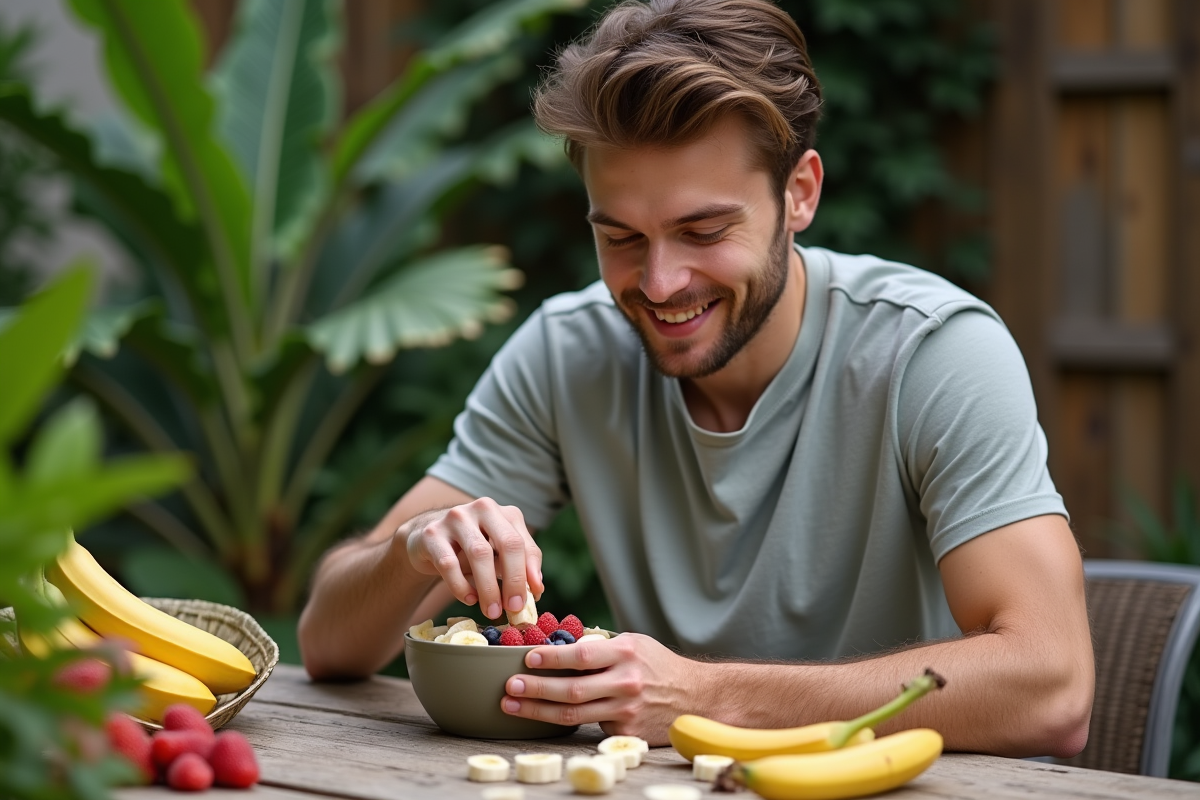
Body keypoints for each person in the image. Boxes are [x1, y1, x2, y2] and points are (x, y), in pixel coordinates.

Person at [298, 0, 1093, 758]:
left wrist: (709, 696)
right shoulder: (565, 352)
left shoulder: (933, 353)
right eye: (620, 237)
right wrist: (409, 553)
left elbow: (1052, 689)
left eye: (703, 231)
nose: (661, 282)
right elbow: (328, 645)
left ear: (800, 194)